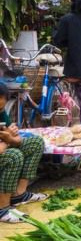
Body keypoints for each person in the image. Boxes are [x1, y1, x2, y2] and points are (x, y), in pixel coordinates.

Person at [0, 83, 48, 223]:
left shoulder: (2, 113)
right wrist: (7, 141)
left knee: (35, 143)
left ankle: (19, 195)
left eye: (2, 107)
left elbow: (18, 139)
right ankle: (3, 208)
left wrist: (10, 138)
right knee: (14, 156)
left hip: (4, 146)